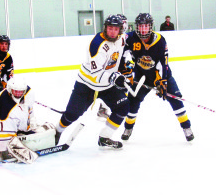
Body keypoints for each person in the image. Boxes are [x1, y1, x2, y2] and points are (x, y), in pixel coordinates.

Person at [54, 15, 130, 149]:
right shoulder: (97, 44)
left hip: (106, 86)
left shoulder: (122, 39)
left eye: (115, 29)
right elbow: (96, 73)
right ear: (105, 28)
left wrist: (128, 63)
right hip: (87, 84)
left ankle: (105, 137)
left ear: (120, 30)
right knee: (72, 114)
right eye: (110, 28)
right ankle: (57, 131)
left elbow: (132, 40)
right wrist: (114, 78)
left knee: (123, 106)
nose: (112, 31)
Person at [121, 13, 194, 142]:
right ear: (137, 27)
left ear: (150, 26)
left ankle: (186, 128)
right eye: (140, 26)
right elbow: (125, 55)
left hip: (160, 76)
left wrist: (163, 82)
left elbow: (163, 63)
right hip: (141, 78)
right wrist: (128, 71)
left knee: (176, 99)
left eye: (146, 26)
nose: (143, 29)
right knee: (132, 102)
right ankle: (128, 128)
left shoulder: (160, 40)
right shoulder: (130, 38)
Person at [0, 76, 56, 163]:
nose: (18, 94)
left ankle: (22, 131)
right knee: (3, 142)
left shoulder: (28, 93)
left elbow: (28, 108)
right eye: (15, 91)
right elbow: (3, 129)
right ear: (10, 89)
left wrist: (31, 121)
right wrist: (5, 151)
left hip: (9, 121)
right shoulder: (6, 107)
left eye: (20, 91)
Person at [97, 13, 133, 119]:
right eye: (123, 23)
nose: (125, 25)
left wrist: (129, 63)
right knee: (113, 88)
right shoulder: (115, 37)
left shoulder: (124, 36)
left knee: (121, 87)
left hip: (118, 66)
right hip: (112, 68)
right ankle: (105, 109)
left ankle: (110, 108)